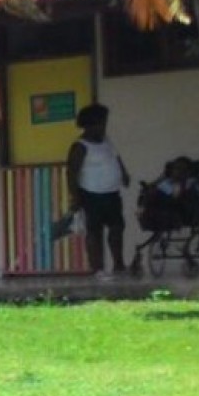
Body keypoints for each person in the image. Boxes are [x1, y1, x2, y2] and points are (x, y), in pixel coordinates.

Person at [66, 103, 130, 279]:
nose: (104, 126)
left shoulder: (106, 140)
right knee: (94, 231)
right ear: (91, 124)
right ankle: (98, 268)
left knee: (117, 227)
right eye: (102, 122)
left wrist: (123, 173)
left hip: (112, 193)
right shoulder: (80, 146)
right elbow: (72, 172)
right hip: (91, 194)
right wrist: (75, 197)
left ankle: (119, 264)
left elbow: (116, 157)